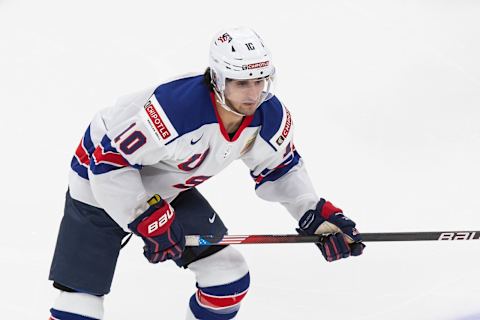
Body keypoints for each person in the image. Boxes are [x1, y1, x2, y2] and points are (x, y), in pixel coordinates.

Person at [48, 26, 365, 320]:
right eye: (242, 82)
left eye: (260, 81)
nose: (253, 94)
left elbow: (280, 170)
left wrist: (312, 213)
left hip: (166, 189)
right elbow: (108, 164)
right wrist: (146, 217)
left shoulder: (267, 114)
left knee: (227, 277)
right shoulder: (175, 110)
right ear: (218, 78)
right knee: (81, 303)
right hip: (99, 183)